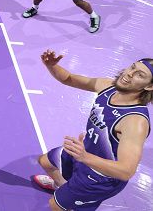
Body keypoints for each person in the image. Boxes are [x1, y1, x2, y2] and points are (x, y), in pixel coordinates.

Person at [32, 50, 152, 211]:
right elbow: (68, 78)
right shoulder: (107, 86)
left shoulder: (135, 121)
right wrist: (52, 66)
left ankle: (70, 200)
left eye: (139, 75)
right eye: (132, 67)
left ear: (149, 86)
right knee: (44, 161)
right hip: (84, 153)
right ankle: (61, 187)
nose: (129, 74)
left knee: (55, 205)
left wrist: (85, 157)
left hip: (101, 177)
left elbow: (126, 171)